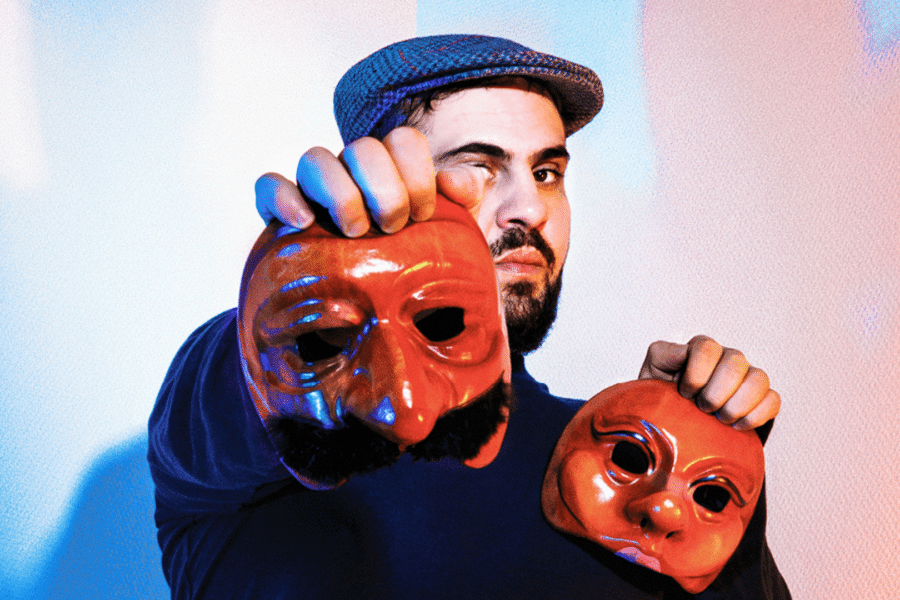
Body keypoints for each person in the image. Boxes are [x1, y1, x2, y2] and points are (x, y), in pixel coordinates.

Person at [148, 34, 790, 599]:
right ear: (385, 188)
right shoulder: (265, 436)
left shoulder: (620, 469)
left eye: (546, 172)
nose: (531, 210)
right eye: (479, 167)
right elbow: (241, 386)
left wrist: (709, 455)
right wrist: (323, 275)